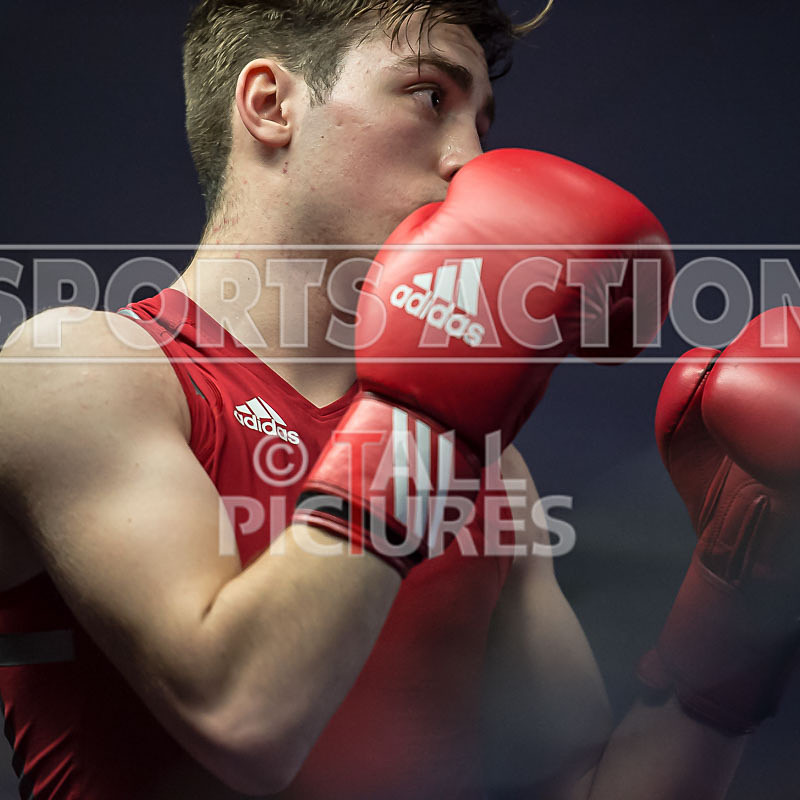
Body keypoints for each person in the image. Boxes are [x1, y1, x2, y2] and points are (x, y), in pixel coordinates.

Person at [0, 2, 796, 798]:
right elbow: (239, 718)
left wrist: (736, 601)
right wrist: (421, 421)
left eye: (483, 121)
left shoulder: (490, 472)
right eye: (429, 97)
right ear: (271, 104)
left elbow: (586, 789)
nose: (471, 161)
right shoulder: (80, 370)